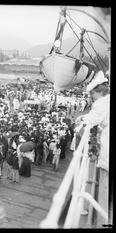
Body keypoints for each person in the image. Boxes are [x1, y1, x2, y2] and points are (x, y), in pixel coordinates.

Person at [76, 70, 110, 227]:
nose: (91, 99)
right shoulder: (105, 101)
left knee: (105, 183)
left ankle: (104, 220)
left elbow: (95, 118)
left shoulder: (103, 102)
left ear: (101, 93)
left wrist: (81, 122)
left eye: (92, 96)